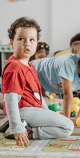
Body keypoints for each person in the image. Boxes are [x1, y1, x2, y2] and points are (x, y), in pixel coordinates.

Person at [1, 17, 74, 146]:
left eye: (31, 40)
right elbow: (11, 98)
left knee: (63, 123)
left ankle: (23, 127)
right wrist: (16, 127)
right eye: (21, 39)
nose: (27, 43)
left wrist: (46, 112)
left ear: (36, 44)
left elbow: (38, 95)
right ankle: (23, 130)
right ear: (12, 43)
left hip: (31, 110)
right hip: (24, 110)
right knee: (67, 126)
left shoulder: (30, 66)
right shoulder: (15, 66)